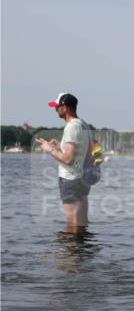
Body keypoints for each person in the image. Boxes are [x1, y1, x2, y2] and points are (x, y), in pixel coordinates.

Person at [35, 93, 92, 233]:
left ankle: (70, 254)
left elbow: (68, 160)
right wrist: (60, 147)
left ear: (65, 107)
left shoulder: (71, 127)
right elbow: (84, 152)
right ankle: (81, 253)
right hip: (83, 179)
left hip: (70, 180)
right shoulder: (83, 124)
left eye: (57, 107)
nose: (55, 110)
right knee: (82, 222)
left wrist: (49, 149)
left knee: (73, 223)